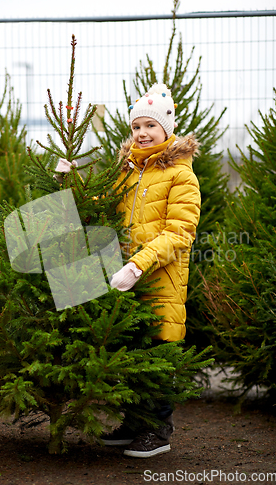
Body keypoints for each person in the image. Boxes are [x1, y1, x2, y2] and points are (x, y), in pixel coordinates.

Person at [102, 83, 201, 458]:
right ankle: (133, 424)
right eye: (136, 127)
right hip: (128, 278)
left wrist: (138, 264)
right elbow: (104, 205)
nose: (141, 134)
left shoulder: (181, 175)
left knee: (158, 357)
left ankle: (158, 432)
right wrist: (70, 181)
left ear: (166, 130)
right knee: (133, 351)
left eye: (150, 127)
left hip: (160, 280)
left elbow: (179, 233)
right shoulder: (129, 171)